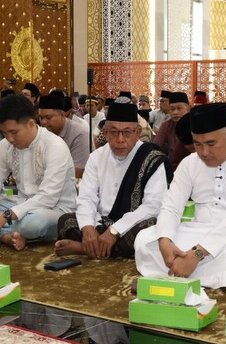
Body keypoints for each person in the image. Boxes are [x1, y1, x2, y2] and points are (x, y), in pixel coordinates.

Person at [135, 103, 226, 290]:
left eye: (211, 143)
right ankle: (225, 276)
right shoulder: (189, 163)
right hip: (199, 230)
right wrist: (165, 241)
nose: (203, 152)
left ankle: (186, 269)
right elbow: (171, 206)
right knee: (145, 239)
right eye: (197, 144)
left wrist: (196, 255)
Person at [0, 93, 77, 250]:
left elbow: (48, 198)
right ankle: (5, 236)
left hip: (54, 210)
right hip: (19, 205)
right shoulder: (5, 145)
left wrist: (3, 217)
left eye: (14, 132)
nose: (9, 138)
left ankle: (9, 232)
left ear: (31, 124)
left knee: (33, 223)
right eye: (5, 133)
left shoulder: (54, 146)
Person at [55, 102, 171, 258]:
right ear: (105, 132)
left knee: (151, 228)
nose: (120, 139)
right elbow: (86, 196)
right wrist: (89, 227)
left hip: (132, 226)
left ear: (137, 133)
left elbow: (153, 205)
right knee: (65, 221)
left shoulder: (151, 159)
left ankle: (84, 248)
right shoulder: (96, 157)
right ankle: (103, 247)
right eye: (114, 132)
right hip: (101, 223)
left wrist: (115, 231)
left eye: (127, 132)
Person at [38, 92, 90, 176]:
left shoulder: (80, 134)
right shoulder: (40, 133)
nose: (43, 122)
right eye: (41, 117)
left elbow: (79, 172)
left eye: (48, 118)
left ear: (62, 116)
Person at [154, 91, 192, 169]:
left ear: (188, 109)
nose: (175, 112)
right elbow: (157, 146)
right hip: (173, 167)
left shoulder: (194, 124)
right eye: (172, 109)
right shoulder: (166, 125)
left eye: (179, 108)